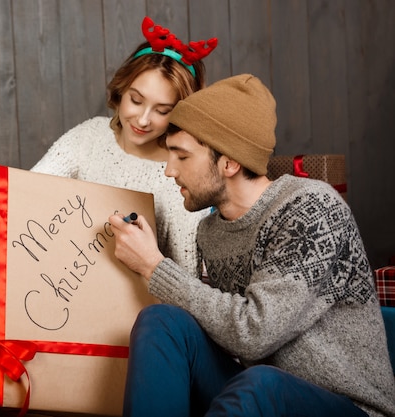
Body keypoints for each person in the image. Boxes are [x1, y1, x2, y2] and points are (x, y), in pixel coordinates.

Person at [108, 74, 395, 417]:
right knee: (163, 322)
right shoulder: (210, 232)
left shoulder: (312, 208)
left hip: (346, 406)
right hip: (259, 393)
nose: (169, 171)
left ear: (229, 162)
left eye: (182, 157)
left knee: (262, 384)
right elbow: (223, 328)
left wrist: (154, 267)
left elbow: (254, 332)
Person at [0, 17, 218, 277]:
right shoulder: (88, 138)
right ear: (121, 89)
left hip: (138, 320)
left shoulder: (181, 175)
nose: (143, 119)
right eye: (135, 100)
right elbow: (17, 197)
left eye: (162, 111)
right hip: (57, 295)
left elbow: (187, 280)